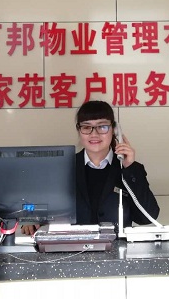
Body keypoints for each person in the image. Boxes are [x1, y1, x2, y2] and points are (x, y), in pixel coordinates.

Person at [21, 100, 159, 235]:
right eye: (86, 127)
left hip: (118, 248)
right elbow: (37, 204)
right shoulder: (63, 167)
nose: (94, 134)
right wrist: (29, 217)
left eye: (102, 126)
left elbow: (147, 217)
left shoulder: (130, 169)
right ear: (79, 130)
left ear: (114, 130)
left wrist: (129, 168)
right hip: (71, 246)